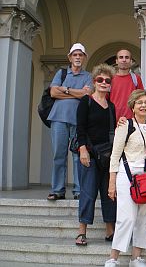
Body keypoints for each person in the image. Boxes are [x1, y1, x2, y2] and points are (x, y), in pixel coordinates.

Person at [105, 90, 146, 267]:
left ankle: (136, 258)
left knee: (145, 218)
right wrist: (112, 183)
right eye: (139, 102)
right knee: (126, 218)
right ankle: (113, 258)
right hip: (127, 176)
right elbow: (115, 155)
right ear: (133, 107)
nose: (143, 105)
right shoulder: (125, 125)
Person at [75, 63, 117, 246]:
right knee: (88, 192)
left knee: (109, 194)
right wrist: (82, 149)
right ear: (94, 82)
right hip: (90, 155)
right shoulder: (87, 101)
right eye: (100, 79)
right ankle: (82, 231)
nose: (104, 82)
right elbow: (80, 127)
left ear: (110, 84)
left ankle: (110, 230)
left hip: (107, 156)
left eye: (107, 80)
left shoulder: (112, 106)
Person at [47, 43, 92, 200]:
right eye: (75, 55)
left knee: (77, 155)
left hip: (77, 121)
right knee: (58, 155)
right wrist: (76, 93)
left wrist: (65, 90)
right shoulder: (62, 73)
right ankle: (58, 190)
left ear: (84, 57)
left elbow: (86, 95)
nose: (78, 57)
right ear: (70, 57)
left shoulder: (88, 76)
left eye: (80, 55)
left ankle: (79, 190)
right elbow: (53, 92)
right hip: (58, 118)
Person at [110, 49, 144, 121]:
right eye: (121, 57)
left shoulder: (136, 79)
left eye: (127, 57)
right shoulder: (110, 79)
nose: (124, 60)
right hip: (113, 120)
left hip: (132, 120)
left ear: (131, 61)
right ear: (116, 61)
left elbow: (141, 99)